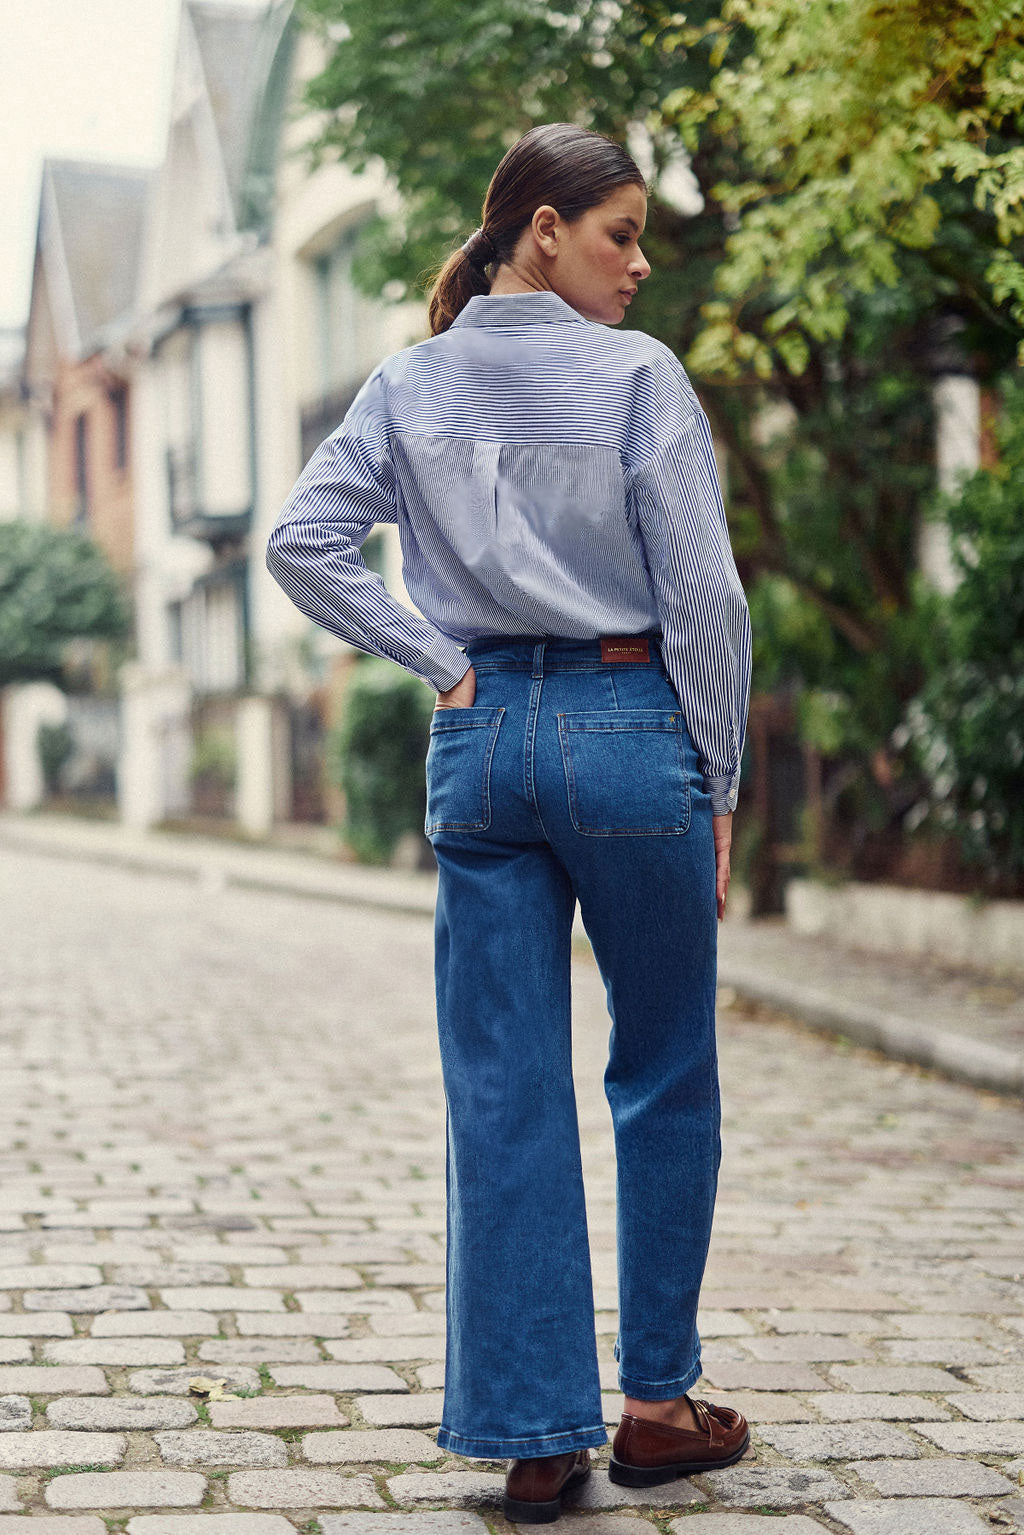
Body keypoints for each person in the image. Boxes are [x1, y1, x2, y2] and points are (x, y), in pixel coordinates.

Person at [266, 121, 752, 1524]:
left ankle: (538, 1436)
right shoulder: (639, 381)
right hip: (625, 733)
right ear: (541, 228)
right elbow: (707, 603)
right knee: (662, 1069)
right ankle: (656, 1408)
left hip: (480, 752)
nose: (641, 264)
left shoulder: (406, 381)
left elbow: (303, 541)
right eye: (620, 234)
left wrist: (440, 662)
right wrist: (715, 775)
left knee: (504, 1088)